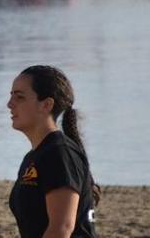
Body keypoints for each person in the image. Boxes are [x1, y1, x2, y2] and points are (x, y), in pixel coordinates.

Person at [7, 65, 100, 238]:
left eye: (19, 97)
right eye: (11, 96)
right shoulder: (35, 156)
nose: (9, 104)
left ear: (46, 105)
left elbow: (62, 228)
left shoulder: (60, 153)